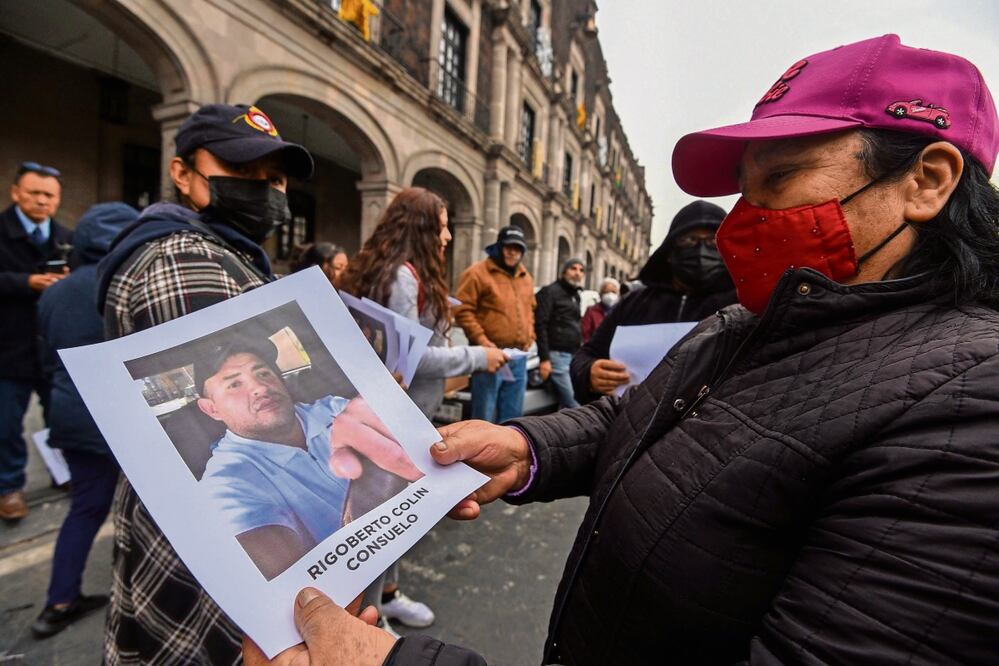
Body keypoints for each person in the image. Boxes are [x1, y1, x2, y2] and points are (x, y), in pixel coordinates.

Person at [245, 34, 999, 665]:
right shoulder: (745, 323)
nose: (742, 222)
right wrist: (524, 446)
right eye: (742, 188)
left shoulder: (968, 408)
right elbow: (634, 417)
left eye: (779, 180)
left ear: (925, 181)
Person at [95, 103, 316, 664]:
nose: (264, 190)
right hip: (207, 558)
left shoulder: (228, 253)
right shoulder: (185, 257)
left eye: (275, 178)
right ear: (182, 172)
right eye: (243, 171)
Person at [339, 186, 509, 634]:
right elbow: (410, 360)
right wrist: (478, 357)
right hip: (399, 420)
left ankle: (386, 600)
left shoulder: (385, 270)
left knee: (382, 522)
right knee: (378, 529)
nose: (449, 236)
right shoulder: (405, 278)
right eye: (443, 225)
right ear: (423, 227)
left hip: (388, 415)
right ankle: (366, 627)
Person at [193, 337, 422, 581]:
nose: (259, 387)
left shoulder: (333, 408)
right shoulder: (225, 481)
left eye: (263, 373)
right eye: (234, 384)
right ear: (211, 409)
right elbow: (291, 583)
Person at [31, 203, 137, 638]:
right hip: (122, 418)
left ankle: (59, 600)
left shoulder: (54, 291)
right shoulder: (129, 282)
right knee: (142, 515)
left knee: (85, 509)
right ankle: (136, 596)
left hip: (70, 416)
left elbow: (44, 358)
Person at [570, 200, 736, 404]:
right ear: (670, 251)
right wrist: (589, 373)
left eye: (713, 241)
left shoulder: (744, 304)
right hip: (629, 423)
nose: (701, 250)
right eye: (690, 240)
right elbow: (587, 354)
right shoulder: (634, 302)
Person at [0, 162, 72, 521]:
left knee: (57, 417)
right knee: (6, 424)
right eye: (34, 193)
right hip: (7, 347)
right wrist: (25, 282)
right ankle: (8, 487)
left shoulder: (65, 236)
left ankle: (62, 473)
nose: (41, 201)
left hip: (50, 345)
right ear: (16, 193)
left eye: (49, 195)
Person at [453, 225, 535, 423]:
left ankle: (506, 455)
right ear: (499, 246)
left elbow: (531, 309)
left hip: (518, 358)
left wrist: (530, 335)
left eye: (517, 249)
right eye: (508, 247)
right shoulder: (477, 273)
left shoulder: (526, 277)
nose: (512, 252)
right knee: (484, 417)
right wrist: (482, 341)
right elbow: (462, 310)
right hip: (489, 356)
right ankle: (479, 455)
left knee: (512, 417)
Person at [534, 257, 585, 409]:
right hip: (556, 356)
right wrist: (544, 359)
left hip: (573, 355)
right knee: (572, 403)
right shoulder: (549, 292)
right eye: (573, 268)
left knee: (564, 403)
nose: (577, 273)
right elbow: (540, 325)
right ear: (563, 272)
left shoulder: (575, 295)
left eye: (581, 270)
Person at [580, 277, 618, 343]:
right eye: (607, 292)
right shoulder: (591, 311)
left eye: (613, 292)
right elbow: (585, 333)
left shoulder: (621, 312)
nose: (610, 295)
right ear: (600, 294)